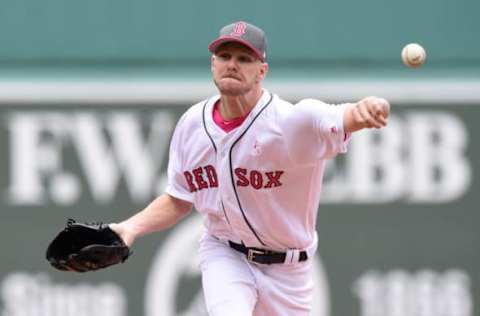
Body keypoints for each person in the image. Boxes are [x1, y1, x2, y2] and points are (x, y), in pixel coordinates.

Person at [110, 21, 390, 316]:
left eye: (244, 59)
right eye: (225, 56)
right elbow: (179, 199)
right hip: (225, 252)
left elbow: (339, 116)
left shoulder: (289, 122)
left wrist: (368, 108)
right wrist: (129, 228)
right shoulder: (192, 125)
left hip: (289, 272)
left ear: (262, 71)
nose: (232, 64)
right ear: (213, 64)